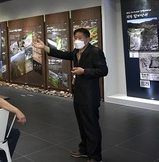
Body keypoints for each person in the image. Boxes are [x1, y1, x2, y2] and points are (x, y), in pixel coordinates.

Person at [32, 28, 108, 162]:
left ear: (88, 39)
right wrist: (45, 47)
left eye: (80, 38)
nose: (77, 40)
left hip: (90, 96)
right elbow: (63, 54)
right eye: (75, 38)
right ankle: (84, 150)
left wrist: (84, 71)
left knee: (91, 126)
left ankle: (95, 156)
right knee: (82, 124)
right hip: (79, 94)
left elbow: (103, 70)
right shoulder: (76, 52)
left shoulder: (95, 52)